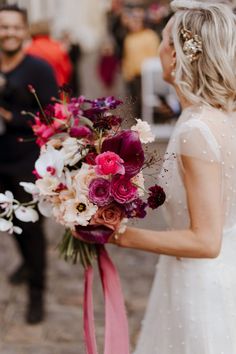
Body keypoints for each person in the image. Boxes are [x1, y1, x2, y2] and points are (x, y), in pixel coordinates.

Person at [110, 1, 236, 353]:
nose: (159, 48)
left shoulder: (197, 130)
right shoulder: (218, 116)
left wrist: (121, 235)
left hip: (201, 284)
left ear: (180, 54)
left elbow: (206, 242)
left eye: (165, 40)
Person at [0, 4, 58, 324]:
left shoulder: (39, 69)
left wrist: (9, 114)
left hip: (25, 163)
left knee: (31, 229)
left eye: (13, 27)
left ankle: (37, 293)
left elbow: (50, 119)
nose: (8, 33)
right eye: (2, 27)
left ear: (24, 31)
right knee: (9, 223)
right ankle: (24, 261)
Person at [122, 6, 160, 117]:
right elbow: (127, 57)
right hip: (133, 76)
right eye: (132, 22)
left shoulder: (149, 35)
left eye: (137, 22)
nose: (134, 25)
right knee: (135, 102)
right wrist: (127, 73)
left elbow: (154, 54)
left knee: (146, 101)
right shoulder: (129, 38)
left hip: (146, 75)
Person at [26, 20, 72, 87]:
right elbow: (66, 69)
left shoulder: (28, 49)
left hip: (35, 89)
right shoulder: (58, 48)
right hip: (57, 87)